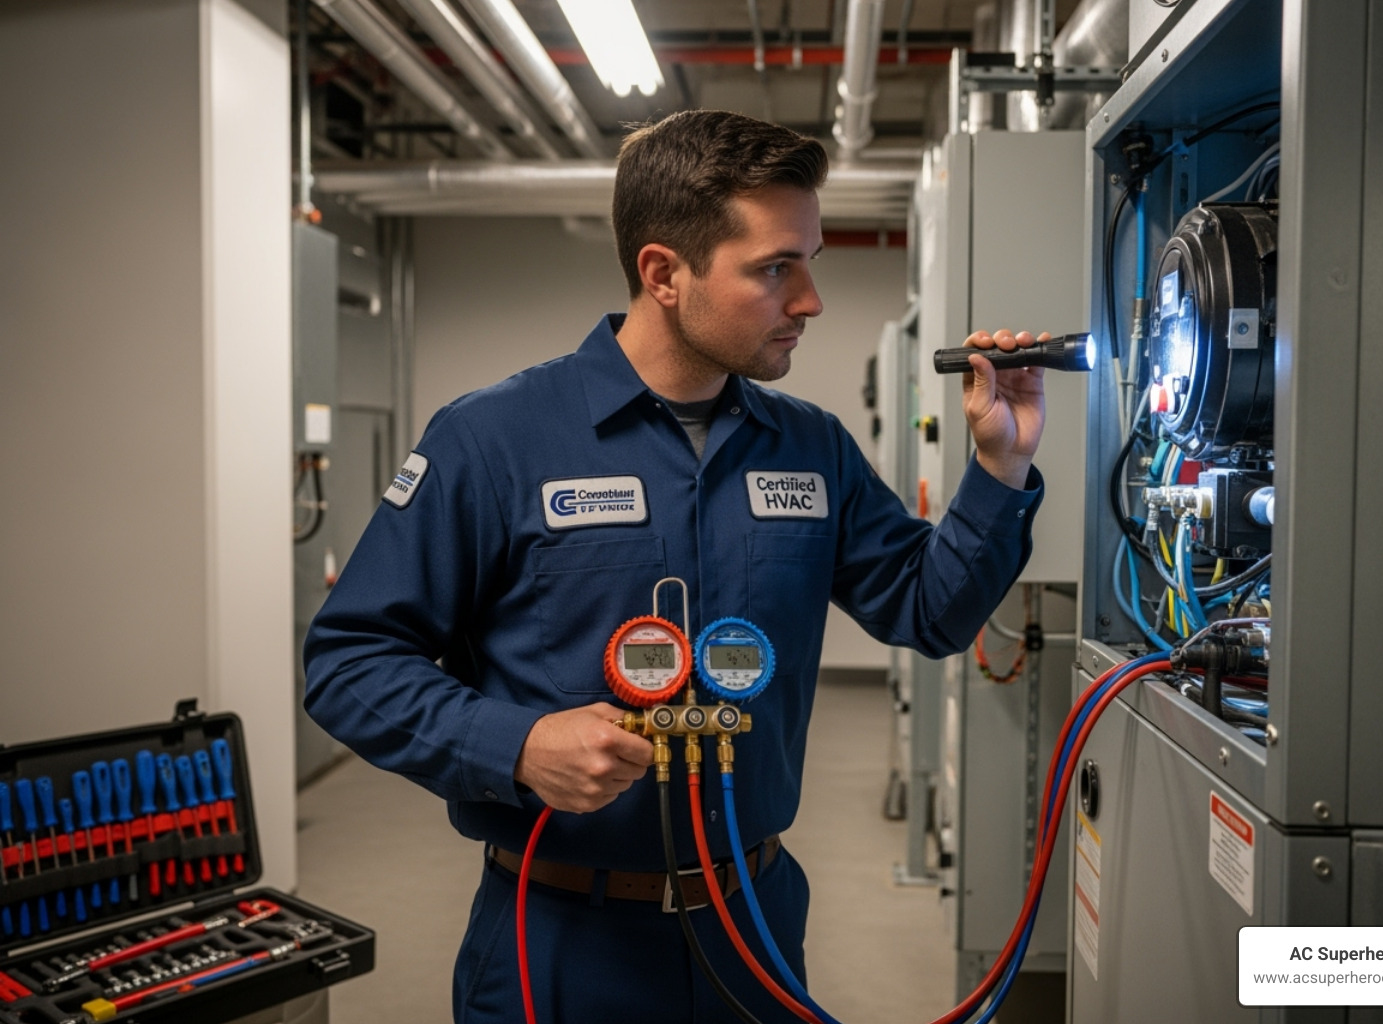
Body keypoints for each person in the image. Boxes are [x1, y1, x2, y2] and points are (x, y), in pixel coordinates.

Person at [303, 109, 1048, 1024]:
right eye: (777, 267)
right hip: (562, 941)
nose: (811, 299)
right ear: (663, 273)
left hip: (756, 928)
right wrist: (520, 746)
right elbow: (349, 663)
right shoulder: (494, 440)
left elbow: (927, 613)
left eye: (809, 259)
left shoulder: (809, 447)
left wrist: (1000, 465)